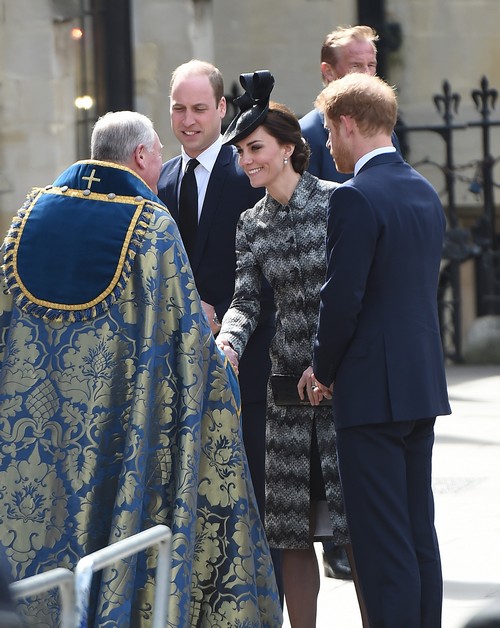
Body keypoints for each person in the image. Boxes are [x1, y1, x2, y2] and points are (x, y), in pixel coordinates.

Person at [0, 111, 282, 627]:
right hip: (119, 435)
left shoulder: (27, 217)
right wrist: (223, 362)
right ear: (140, 158)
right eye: (157, 157)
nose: (161, 171)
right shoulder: (151, 228)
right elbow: (188, 349)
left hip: (33, 439)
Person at [216, 70, 366, 628]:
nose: (246, 160)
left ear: (288, 148)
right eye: (240, 152)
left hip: (342, 394)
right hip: (285, 402)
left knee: (358, 535)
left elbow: (359, 296)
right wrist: (227, 344)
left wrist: (334, 364)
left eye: (255, 148)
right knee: (291, 535)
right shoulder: (250, 223)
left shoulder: (338, 204)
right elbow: (246, 299)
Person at [311, 73, 452, 627]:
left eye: (328, 129)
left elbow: (342, 297)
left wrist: (321, 368)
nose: (326, 143)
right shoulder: (423, 189)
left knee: (380, 544)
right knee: (419, 534)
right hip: (420, 385)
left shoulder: (355, 196)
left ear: (348, 123)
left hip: (372, 393)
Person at [156, 59, 282, 598]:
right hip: (183, 379)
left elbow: (275, 269)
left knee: (258, 504)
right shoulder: (162, 179)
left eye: (199, 109)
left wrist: (225, 313)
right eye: (179, 109)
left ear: (222, 109)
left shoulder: (247, 172)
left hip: (249, 373)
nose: (188, 121)